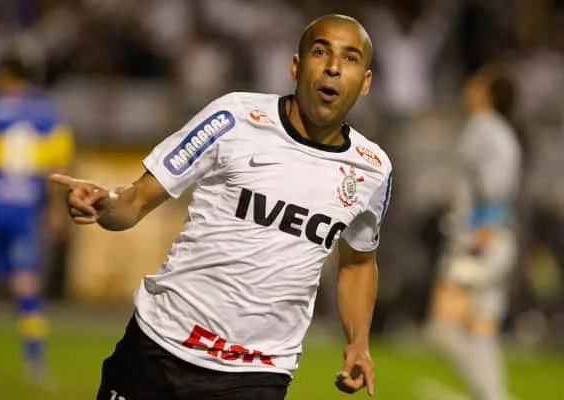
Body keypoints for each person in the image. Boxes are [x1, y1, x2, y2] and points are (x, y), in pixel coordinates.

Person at [52, 14, 392, 400]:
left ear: (365, 82)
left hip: (257, 372)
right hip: (160, 346)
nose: (333, 67)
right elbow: (136, 200)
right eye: (320, 52)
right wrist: (104, 205)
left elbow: (358, 262)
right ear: (296, 66)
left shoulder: (372, 170)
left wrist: (358, 342)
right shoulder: (234, 118)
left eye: (350, 58)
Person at [0, 49, 74, 382]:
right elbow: (59, 165)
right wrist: (55, 209)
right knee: (26, 283)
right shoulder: (47, 115)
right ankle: (35, 364)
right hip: (23, 211)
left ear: (2, 75)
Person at [426, 65, 522, 400]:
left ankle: (490, 395)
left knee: (442, 327)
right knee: (481, 328)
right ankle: (493, 394)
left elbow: (492, 192)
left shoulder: (486, 130)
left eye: (479, 80)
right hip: (496, 239)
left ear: (489, 93)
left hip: (480, 240)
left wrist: (476, 247)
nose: (470, 84)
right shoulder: (500, 132)